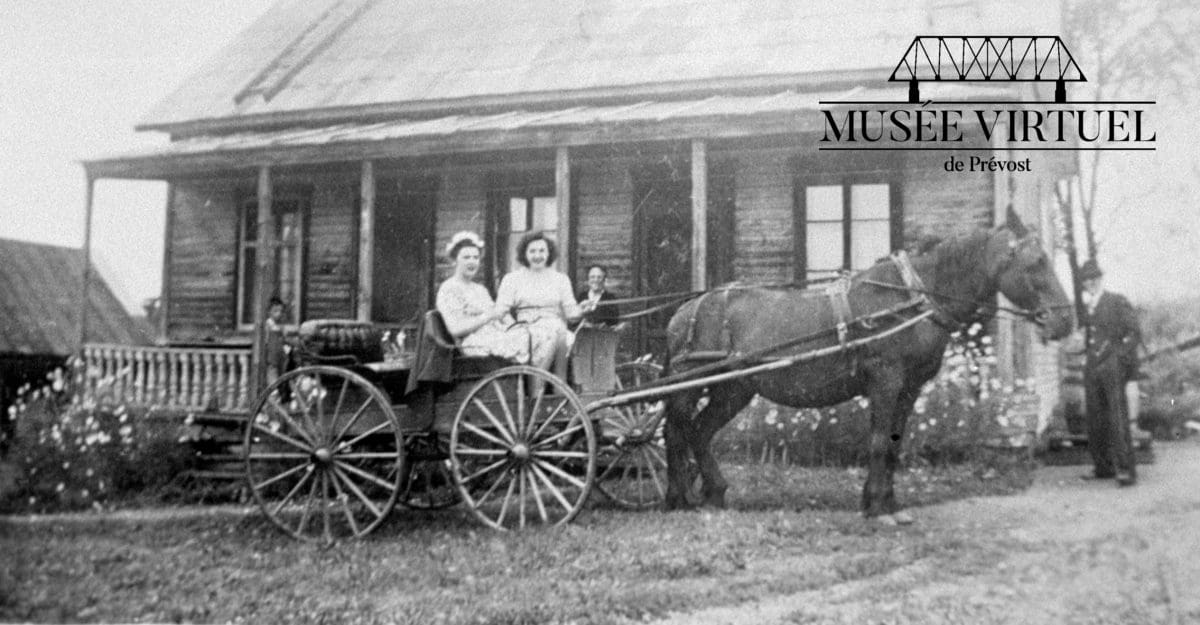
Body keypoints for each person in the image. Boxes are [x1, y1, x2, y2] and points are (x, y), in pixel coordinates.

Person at [1079, 259, 1142, 487]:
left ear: (1101, 279)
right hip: (1092, 368)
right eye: (1087, 280)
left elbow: (1134, 333)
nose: (1091, 283)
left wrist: (1120, 357)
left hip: (1112, 367)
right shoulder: (1088, 307)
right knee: (1095, 418)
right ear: (1083, 284)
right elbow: (1089, 337)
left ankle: (1125, 470)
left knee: (1117, 415)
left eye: (1094, 278)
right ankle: (1103, 467)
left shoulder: (1116, 301)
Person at [495, 231, 595, 374]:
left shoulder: (560, 279)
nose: (537, 256)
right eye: (532, 251)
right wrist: (515, 327)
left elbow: (571, 313)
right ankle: (537, 389)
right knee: (554, 338)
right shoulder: (512, 279)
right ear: (524, 253)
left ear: (549, 253)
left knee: (561, 336)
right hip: (526, 331)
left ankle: (558, 390)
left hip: (556, 328)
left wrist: (582, 309)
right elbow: (501, 311)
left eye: (542, 251)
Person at [434, 231, 531, 363]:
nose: (472, 262)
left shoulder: (480, 289)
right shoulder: (449, 288)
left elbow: (499, 314)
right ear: (455, 260)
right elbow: (455, 329)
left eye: (476, 257)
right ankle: (536, 382)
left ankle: (536, 381)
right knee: (529, 340)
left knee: (531, 335)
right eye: (466, 257)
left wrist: (514, 325)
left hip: (493, 336)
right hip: (473, 343)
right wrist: (488, 316)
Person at [264, 296, 288, 383]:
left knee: (282, 374)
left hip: (280, 355)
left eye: (281, 311)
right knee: (272, 374)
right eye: (275, 311)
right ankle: (273, 393)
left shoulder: (281, 325)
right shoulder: (269, 324)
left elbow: (284, 338)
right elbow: (266, 340)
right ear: (269, 312)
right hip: (272, 356)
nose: (279, 314)